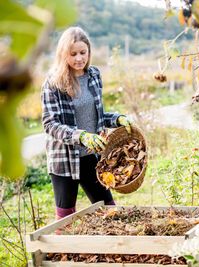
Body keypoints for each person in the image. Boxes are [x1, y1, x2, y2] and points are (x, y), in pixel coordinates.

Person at [41, 26, 131, 221]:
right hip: (64, 160)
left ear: (89, 52)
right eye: (73, 54)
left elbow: (97, 115)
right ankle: (62, 251)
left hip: (92, 157)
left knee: (109, 210)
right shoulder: (53, 83)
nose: (79, 58)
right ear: (63, 54)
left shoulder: (94, 76)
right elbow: (50, 124)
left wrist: (117, 119)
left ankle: (110, 249)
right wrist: (81, 136)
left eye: (83, 52)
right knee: (66, 218)